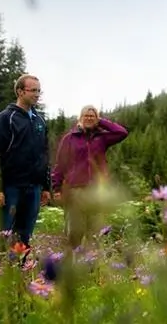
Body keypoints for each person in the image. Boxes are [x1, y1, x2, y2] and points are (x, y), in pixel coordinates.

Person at [0, 74, 50, 262]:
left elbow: (44, 155)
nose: (37, 94)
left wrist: (46, 186)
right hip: (10, 187)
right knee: (0, 234)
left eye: (39, 90)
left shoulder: (40, 121)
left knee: (23, 236)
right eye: (33, 90)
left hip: (34, 188)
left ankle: (17, 277)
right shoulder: (5, 118)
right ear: (20, 91)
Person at [51, 105, 128, 248]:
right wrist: (56, 188)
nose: (89, 118)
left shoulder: (102, 138)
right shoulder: (70, 138)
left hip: (96, 191)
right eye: (86, 115)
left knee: (96, 233)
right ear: (80, 118)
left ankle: (92, 267)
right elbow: (60, 164)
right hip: (75, 191)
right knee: (74, 231)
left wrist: (101, 122)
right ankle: (72, 266)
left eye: (92, 116)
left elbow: (122, 132)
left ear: (97, 119)